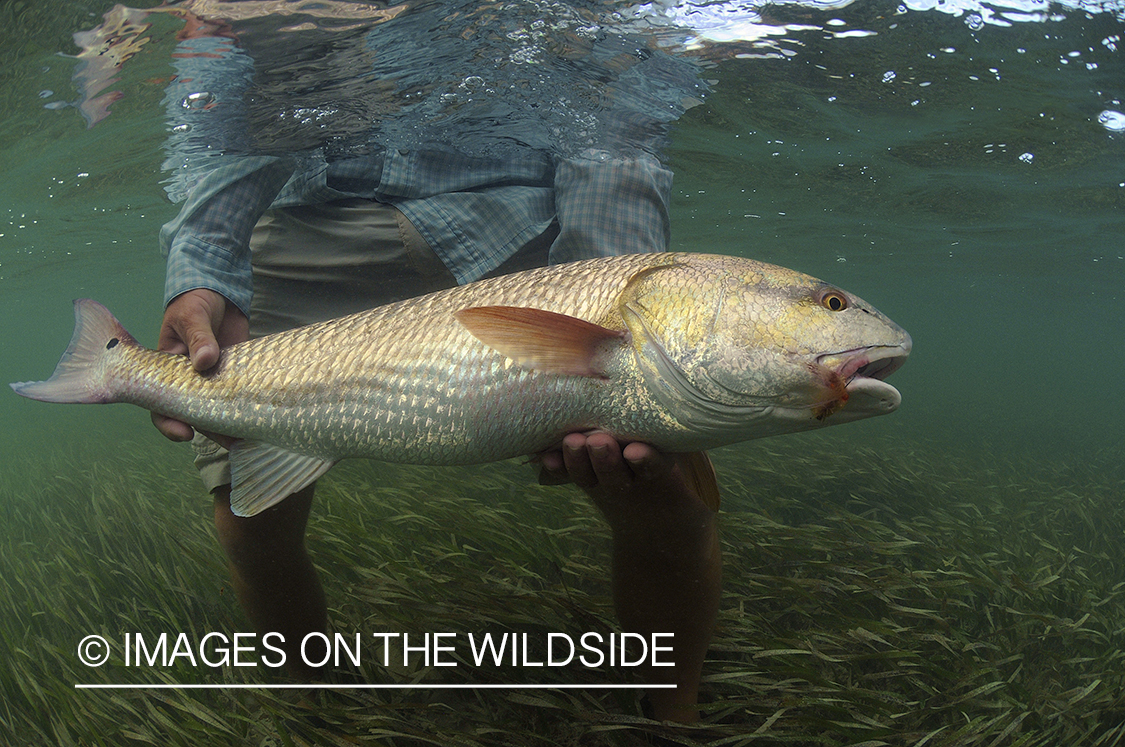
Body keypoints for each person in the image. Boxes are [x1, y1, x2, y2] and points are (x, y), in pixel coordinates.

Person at [81, 0, 719, 722]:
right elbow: (220, 121)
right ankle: (311, 704)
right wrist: (203, 274)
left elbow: (613, 113)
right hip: (308, 218)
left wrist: (596, 307)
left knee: (657, 483)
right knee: (250, 511)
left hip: (507, 222)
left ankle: (668, 716)